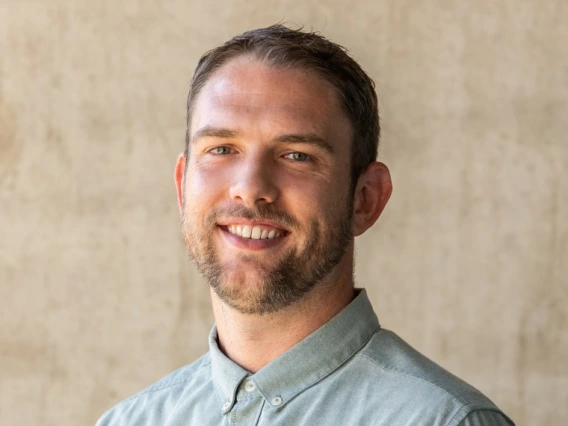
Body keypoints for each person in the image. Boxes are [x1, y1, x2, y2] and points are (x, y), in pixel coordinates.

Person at [96, 24, 515, 426]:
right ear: (182, 186)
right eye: (222, 148)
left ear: (365, 199)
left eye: (297, 155)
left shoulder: (444, 421)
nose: (250, 189)